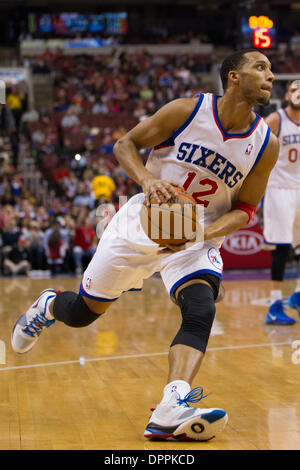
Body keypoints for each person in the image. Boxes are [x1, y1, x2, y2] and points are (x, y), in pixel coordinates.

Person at [11, 49, 278, 442]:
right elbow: (125, 145)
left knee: (201, 307)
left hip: (197, 237)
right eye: (260, 67)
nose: (270, 75)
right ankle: (49, 305)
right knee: (84, 314)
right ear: (234, 77)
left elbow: (246, 210)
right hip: (142, 223)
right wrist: (147, 181)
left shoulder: (265, 144)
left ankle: (173, 404)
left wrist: (203, 234)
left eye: (271, 69)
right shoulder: (187, 110)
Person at [263, 80, 300, 325]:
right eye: (295, 89)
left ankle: (297, 295)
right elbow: (253, 149)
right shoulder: (276, 119)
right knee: (282, 248)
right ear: (287, 94)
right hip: (279, 189)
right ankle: (274, 305)